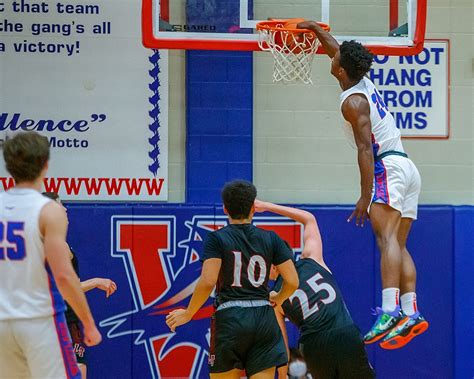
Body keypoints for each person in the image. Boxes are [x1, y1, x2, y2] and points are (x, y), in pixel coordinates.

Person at [295, 21, 429, 349]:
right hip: (407, 166)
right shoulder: (360, 80)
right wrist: (313, 28)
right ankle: (411, 312)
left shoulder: (352, 103)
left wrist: (365, 194)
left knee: (386, 240)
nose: (332, 57)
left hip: (387, 168)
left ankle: (388, 311)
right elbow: (335, 48)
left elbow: (365, 149)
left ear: (341, 70)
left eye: (335, 59)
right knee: (397, 243)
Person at [166, 180, 299, 378]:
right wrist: (279, 297)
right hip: (263, 319)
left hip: (230, 319)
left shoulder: (217, 238)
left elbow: (208, 281)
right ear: (253, 208)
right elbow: (293, 282)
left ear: (225, 209)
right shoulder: (271, 238)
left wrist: (188, 313)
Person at [0, 131, 101, 379]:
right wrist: (88, 322)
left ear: (9, 166)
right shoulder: (49, 211)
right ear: (45, 165)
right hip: (39, 322)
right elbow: (64, 277)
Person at [256, 200, 374, 379]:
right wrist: (267, 206)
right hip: (345, 334)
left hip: (315, 346)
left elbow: (281, 345)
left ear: (274, 265)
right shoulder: (312, 258)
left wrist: (283, 374)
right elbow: (309, 219)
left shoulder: (275, 298)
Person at [43, 191, 117, 379]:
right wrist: (96, 282)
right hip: (60, 320)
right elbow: (60, 290)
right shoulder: (53, 245)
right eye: (61, 205)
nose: (65, 208)